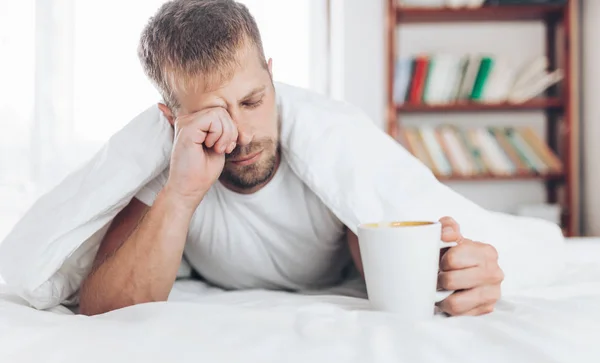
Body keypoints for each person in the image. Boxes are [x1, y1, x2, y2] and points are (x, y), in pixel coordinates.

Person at [78, 0, 503, 316]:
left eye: (252, 100)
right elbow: (102, 306)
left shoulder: (330, 144)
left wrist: (455, 276)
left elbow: (392, 267)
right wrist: (182, 192)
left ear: (271, 74)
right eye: (212, 117)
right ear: (171, 119)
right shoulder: (169, 157)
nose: (241, 136)